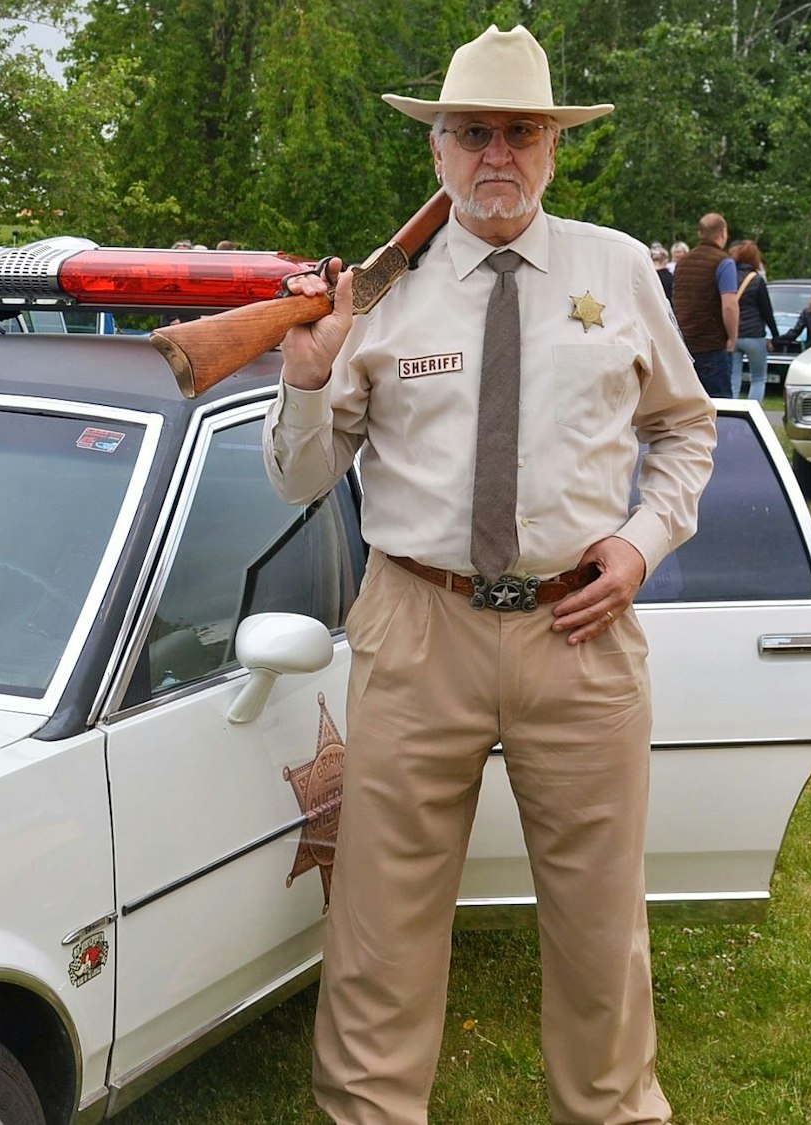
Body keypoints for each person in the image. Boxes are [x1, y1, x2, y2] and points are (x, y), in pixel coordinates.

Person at [265, 25, 714, 1125]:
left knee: (601, 928)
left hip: (579, 626)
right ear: (438, 151)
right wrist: (307, 381)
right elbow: (300, 479)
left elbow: (684, 429)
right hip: (419, 625)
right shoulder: (379, 289)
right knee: (379, 925)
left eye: (519, 131)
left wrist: (640, 541)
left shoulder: (616, 267)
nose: (496, 154)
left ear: (554, 147)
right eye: (472, 133)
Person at [672, 212, 737, 396]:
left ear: (700, 233)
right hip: (712, 346)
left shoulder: (682, 263)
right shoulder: (724, 262)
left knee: (688, 405)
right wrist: (732, 338)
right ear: (723, 233)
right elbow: (729, 305)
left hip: (684, 345)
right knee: (720, 405)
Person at [729, 239, 780, 401]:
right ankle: (754, 410)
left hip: (734, 334)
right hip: (755, 335)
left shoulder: (729, 277)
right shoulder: (757, 280)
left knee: (733, 379)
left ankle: (732, 410)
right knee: (758, 379)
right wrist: (775, 335)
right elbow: (767, 311)